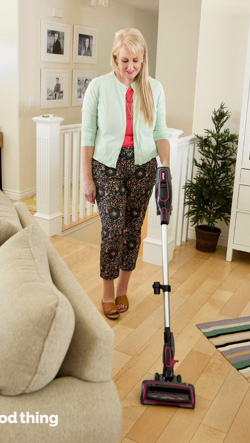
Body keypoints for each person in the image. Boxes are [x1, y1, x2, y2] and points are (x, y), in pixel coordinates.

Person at [81, 28, 170, 320]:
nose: (130, 67)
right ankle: (107, 292)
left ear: (144, 58)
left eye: (136, 60)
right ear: (114, 59)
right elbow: (88, 133)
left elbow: (160, 132)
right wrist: (86, 177)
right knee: (113, 230)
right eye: (124, 61)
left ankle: (123, 287)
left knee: (133, 231)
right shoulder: (98, 87)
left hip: (143, 167)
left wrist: (165, 167)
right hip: (107, 166)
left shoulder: (154, 89)